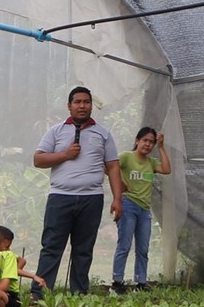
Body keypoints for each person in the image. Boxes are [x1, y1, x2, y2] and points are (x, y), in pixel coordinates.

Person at [32, 86, 124, 295]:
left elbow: (113, 166)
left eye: (86, 102)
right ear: (69, 106)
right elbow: (38, 159)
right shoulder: (56, 131)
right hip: (60, 197)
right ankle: (39, 293)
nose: (82, 106)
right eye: (77, 102)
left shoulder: (103, 133)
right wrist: (64, 155)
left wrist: (118, 198)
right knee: (51, 246)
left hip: (91, 198)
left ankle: (79, 293)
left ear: (91, 105)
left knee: (83, 249)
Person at [112, 127, 171, 293]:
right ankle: (117, 282)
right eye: (145, 140)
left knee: (143, 248)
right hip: (128, 204)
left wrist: (161, 147)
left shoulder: (151, 162)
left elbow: (166, 170)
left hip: (144, 209)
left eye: (151, 142)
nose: (147, 144)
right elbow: (109, 168)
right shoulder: (126, 157)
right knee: (124, 244)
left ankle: (141, 282)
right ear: (137, 140)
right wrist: (120, 185)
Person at [0, 224, 47, 293]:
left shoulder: (7, 255)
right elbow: (22, 260)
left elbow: (22, 261)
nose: (9, 249)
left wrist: (12, 271)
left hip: (8, 290)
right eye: (6, 247)